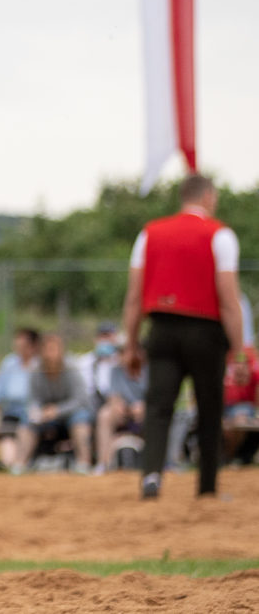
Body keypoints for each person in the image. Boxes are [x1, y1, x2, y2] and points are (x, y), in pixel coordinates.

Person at [122, 173, 246, 499]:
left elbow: (134, 298)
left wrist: (131, 345)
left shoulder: (149, 234)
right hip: (206, 332)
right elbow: (229, 300)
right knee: (209, 408)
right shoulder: (220, 235)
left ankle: (151, 477)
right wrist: (241, 350)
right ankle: (207, 487)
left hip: (161, 330)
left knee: (158, 406)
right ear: (207, 197)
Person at [13, 334, 94, 474]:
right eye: (47, 349)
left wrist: (57, 410)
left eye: (54, 349)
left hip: (70, 413)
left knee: (81, 418)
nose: (50, 354)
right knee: (27, 419)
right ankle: (20, 464)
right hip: (45, 414)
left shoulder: (71, 368)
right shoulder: (35, 369)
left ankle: (84, 463)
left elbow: (80, 400)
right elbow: (32, 399)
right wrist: (39, 412)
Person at [0, 327, 40, 470]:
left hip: (34, 416)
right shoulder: (9, 363)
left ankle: (21, 463)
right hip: (11, 414)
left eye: (23, 345)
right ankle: (12, 465)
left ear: (34, 346)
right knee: (8, 456)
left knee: (27, 428)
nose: (19, 348)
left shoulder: (40, 365)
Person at [94, 358, 149, 473]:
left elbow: (155, 396)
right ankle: (104, 463)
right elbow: (113, 395)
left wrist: (143, 405)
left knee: (155, 414)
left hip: (144, 410)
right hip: (122, 411)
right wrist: (117, 405)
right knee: (104, 414)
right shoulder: (115, 370)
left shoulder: (149, 369)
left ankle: (159, 463)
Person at [75, 322, 122, 409]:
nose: (106, 340)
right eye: (103, 336)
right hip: (90, 403)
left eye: (110, 336)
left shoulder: (120, 362)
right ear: (96, 339)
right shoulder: (84, 361)